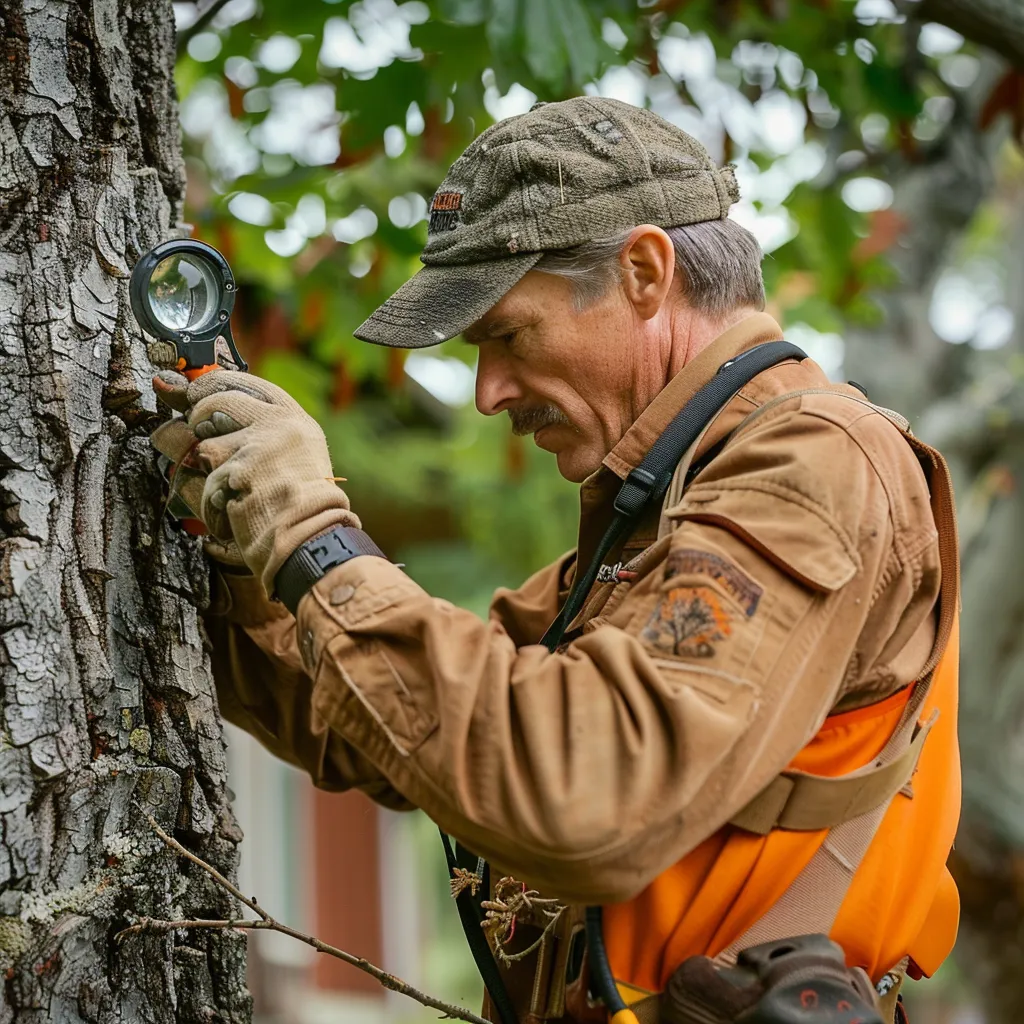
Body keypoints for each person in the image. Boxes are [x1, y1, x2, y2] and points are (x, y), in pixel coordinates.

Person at [150, 97, 960, 1024]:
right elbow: (396, 720)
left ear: (645, 273)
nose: (488, 391)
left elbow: (589, 797)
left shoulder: (808, 466)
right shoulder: (660, 509)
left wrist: (311, 531)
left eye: (506, 334)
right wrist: (249, 564)